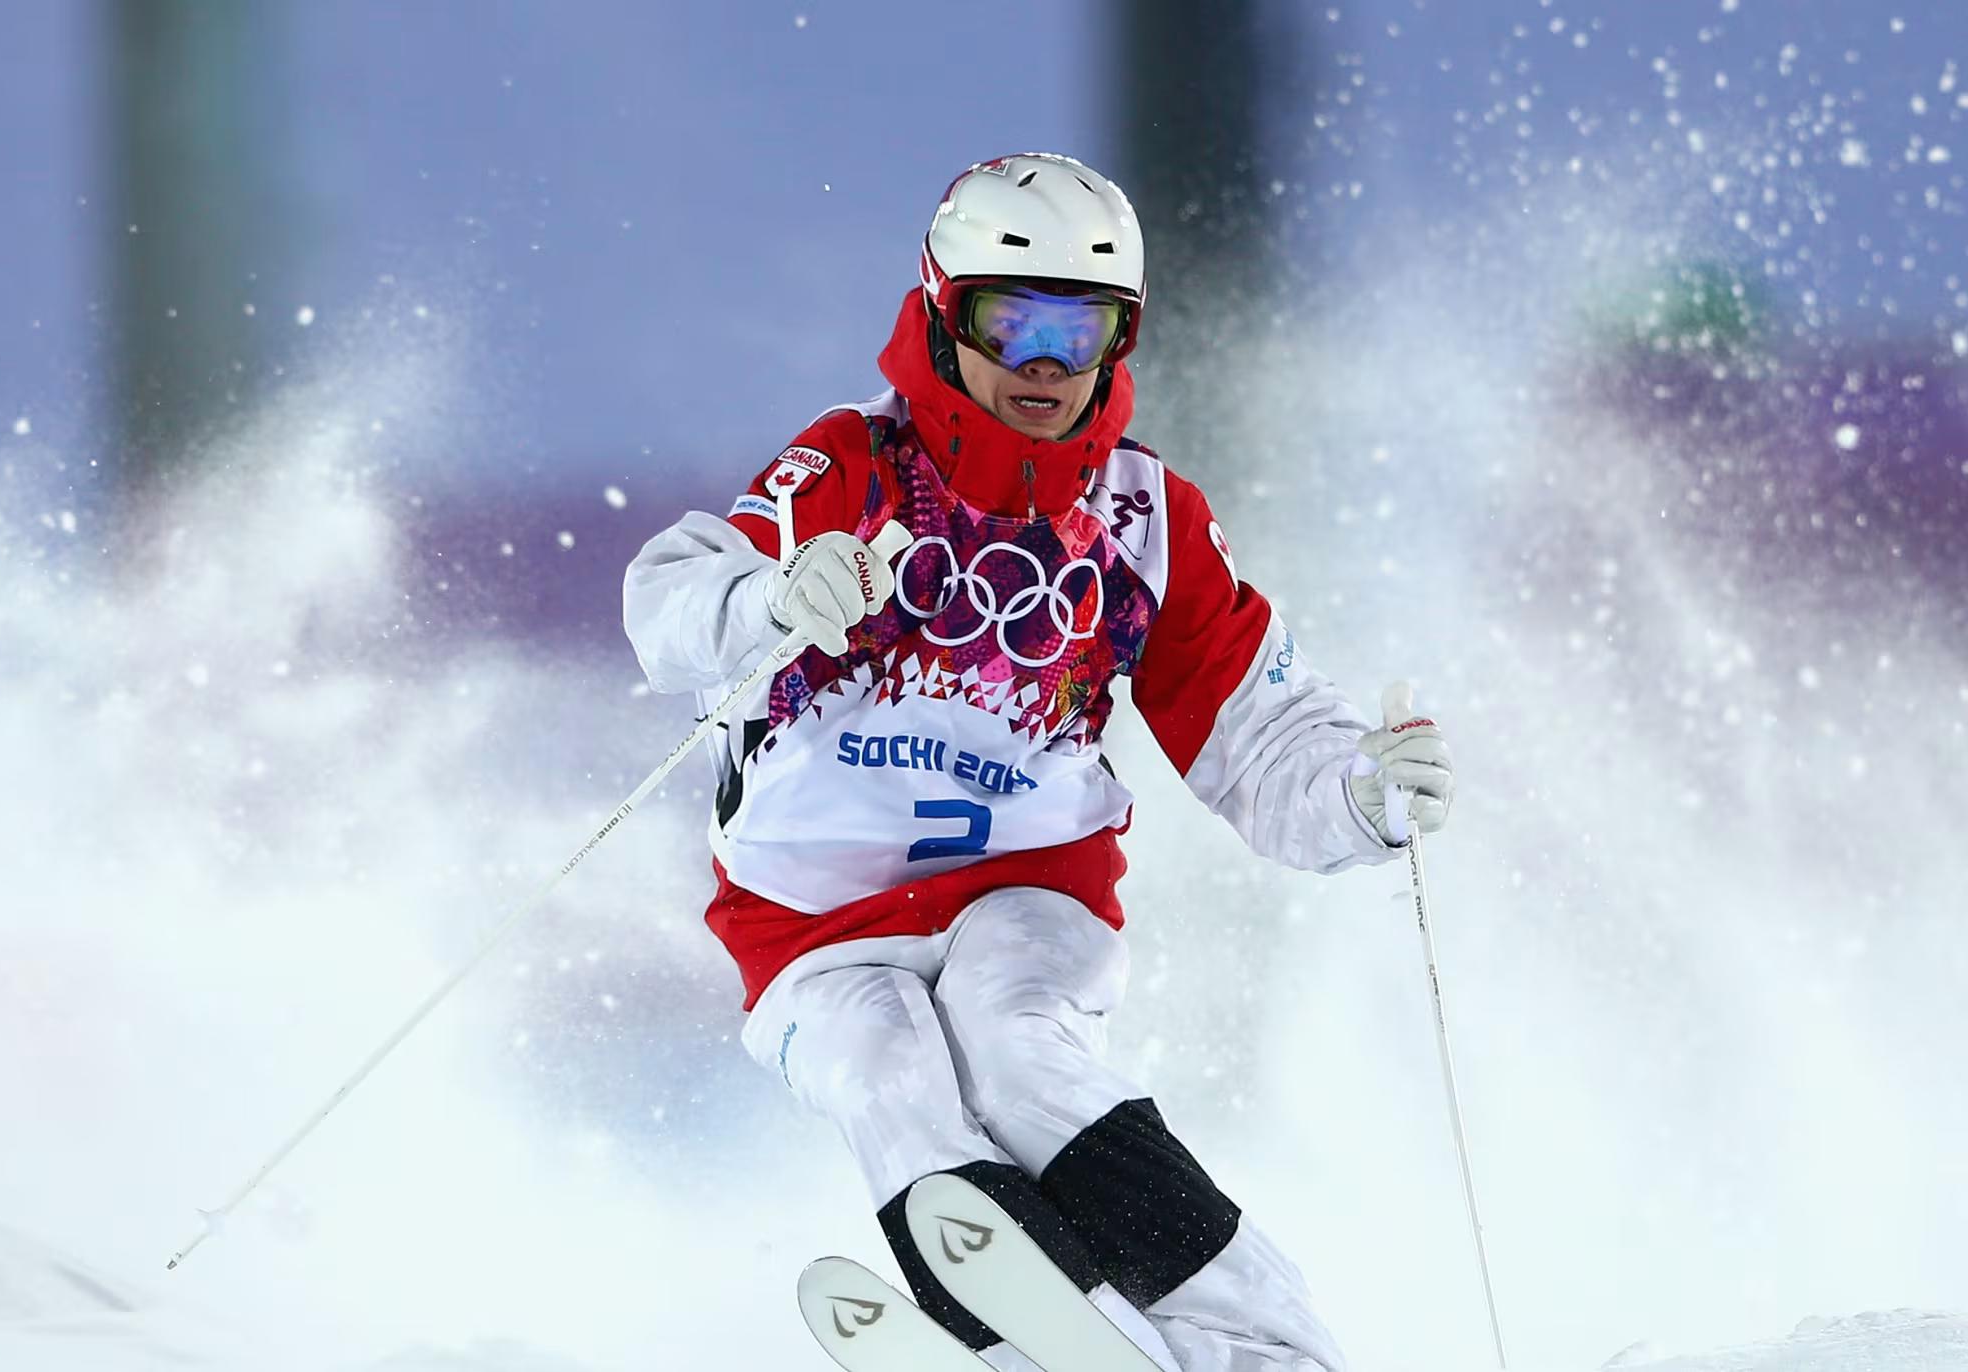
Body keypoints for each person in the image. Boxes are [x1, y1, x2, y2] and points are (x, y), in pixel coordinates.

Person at [622, 153, 1454, 1372]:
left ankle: (1259, 1337)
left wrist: (1359, 795)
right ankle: (1042, 1342)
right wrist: (763, 596)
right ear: (942, 311)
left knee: (1011, 1037)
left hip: (1028, 886)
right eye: (1011, 323)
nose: (1046, 367)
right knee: (879, 1057)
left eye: (1086, 327)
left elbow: (1256, 729)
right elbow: (666, 600)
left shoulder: (1142, 518)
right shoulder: (852, 467)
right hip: (811, 917)